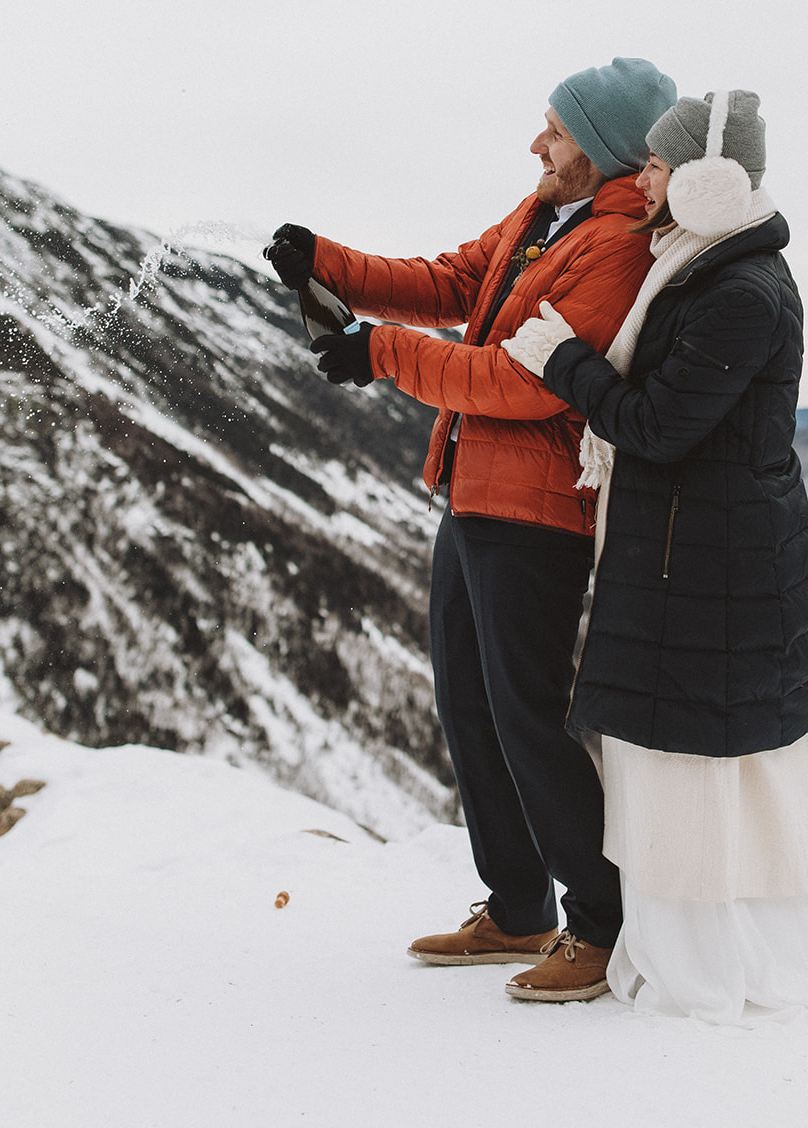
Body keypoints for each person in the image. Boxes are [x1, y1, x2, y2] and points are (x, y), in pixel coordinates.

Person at [501, 90, 808, 1020]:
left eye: (656, 166)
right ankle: (684, 934)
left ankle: (726, 948)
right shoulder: (697, 269)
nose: (639, 180)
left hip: (712, 571)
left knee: (706, 759)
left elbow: (654, 426)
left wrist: (563, 360)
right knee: (691, 755)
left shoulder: (741, 291)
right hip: (690, 562)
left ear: (706, 180)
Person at [264, 57, 677, 1001]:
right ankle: (517, 902)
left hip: (537, 512)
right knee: (470, 706)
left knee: (527, 714)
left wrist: (380, 353)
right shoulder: (543, 216)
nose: (539, 144)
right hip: (472, 494)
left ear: (605, 150)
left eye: (557, 132)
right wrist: (325, 262)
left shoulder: (615, 244)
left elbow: (523, 382)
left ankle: (602, 925)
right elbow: (455, 282)